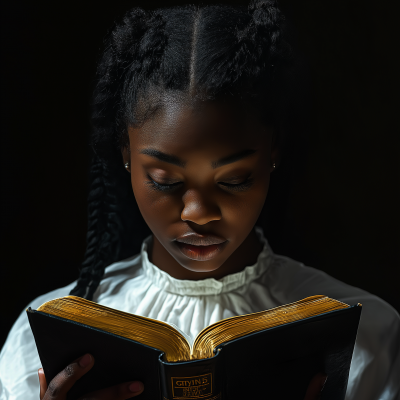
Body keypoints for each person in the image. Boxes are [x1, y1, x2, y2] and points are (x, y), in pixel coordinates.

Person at [1, 1, 399, 399]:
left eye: (235, 179)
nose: (198, 213)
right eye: (164, 180)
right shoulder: (40, 344)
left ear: (273, 153)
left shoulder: (368, 337)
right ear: (125, 153)